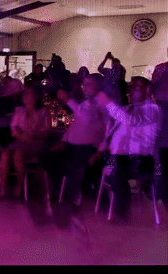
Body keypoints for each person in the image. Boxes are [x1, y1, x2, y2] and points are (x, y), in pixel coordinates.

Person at [95, 76, 161, 224]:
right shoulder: (127, 109)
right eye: (130, 87)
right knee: (91, 161)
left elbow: (132, 120)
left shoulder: (153, 109)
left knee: (115, 167)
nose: (131, 90)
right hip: (122, 157)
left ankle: (121, 212)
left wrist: (108, 103)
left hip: (142, 159)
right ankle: (103, 204)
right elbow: (114, 132)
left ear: (148, 90)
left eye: (136, 87)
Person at [49, 73, 110, 228]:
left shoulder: (102, 103)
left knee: (76, 165)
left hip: (91, 149)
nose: (84, 87)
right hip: (73, 146)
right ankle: (59, 196)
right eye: (84, 84)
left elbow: (87, 119)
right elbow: (76, 125)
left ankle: (73, 200)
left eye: (88, 84)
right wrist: (63, 141)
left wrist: (68, 100)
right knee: (49, 157)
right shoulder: (85, 103)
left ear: (99, 86)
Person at [0, 84, 51, 200]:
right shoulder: (19, 110)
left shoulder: (43, 112)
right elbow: (13, 128)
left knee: (18, 153)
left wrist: (32, 135)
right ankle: (3, 188)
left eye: (29, 94)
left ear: (36, 96)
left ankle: (20, 186)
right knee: (5, 153)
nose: (25, 96)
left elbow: (46, 131)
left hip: (36, 143)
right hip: (21, 140)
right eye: (25, 94)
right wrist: (21, 135)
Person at [152, 47, 168, 207]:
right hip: (163, 108)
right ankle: (161, 192)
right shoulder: (161, 68)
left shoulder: (161, 68)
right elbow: (152, 86)